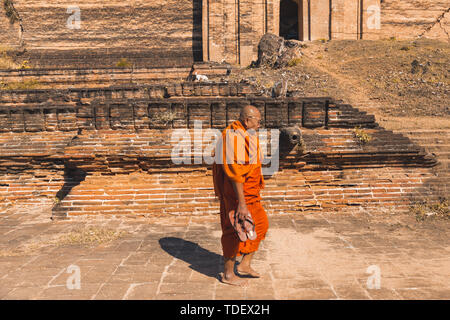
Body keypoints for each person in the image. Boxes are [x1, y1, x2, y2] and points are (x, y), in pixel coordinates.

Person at [212, 105, 269, 286]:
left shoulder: (246, 134)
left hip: (251, 193)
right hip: (237, 195)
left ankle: (245, 264)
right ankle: (228, 274)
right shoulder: (232, 137)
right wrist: (241, 204)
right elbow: (235, 173)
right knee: (233, 231)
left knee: (260, 225)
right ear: (247, 120)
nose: (260, 124)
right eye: (258, 121)